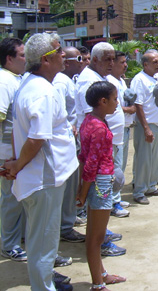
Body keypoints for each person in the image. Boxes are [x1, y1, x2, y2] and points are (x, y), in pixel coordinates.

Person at [2, 32, 78, 290]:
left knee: (39, 240)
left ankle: (44, 282)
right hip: (44, 178)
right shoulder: (42, 91)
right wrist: (17, 164)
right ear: (45, 59)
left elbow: (16, 129)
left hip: (40, 176)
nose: (64, 56)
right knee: (43, 244)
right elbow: (36, 138)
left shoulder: (29, 84)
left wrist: (15, 162)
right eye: (59, 51)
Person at [75, 42, 126, 257]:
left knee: (101, 203)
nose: (111, 63)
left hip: (104, 147)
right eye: (107, 59)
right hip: (99, 160)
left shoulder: (102, 79)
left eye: (113, 59)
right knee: (98, 202)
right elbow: (90, 163)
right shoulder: (89, 82)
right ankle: (100, 242)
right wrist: (82, 192)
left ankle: (101, 233)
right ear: (94, 59)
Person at [76, 81, 126, 291]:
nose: (118, 103)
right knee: (96, 237)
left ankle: (101, 274)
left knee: (97, 235)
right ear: (103, 101)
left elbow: (83, 157)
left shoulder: (90, 120)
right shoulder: (96, 126)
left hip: (99, 182)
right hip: (99, 183)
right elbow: (90, 164)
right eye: (115, 99)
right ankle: (97, 283)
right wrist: (82, 193)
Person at [53, 46, 86, 243]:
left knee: (73, 182)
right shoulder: (60, 82)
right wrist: (69, 126)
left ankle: (68, 221)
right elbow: (57, 112)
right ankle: (65, 227)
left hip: (71, 139)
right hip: (65, 141)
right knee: (68, 184)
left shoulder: (69, 80)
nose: (83, 62)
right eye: (79, 58)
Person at [0, 38, 27, 262]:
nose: (26, 59)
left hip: (18, 152)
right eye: (22, 55)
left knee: (19, 197)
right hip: (7, 153)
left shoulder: (17, 79)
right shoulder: (4, 81)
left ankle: (19, 238)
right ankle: (9, 244)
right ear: (9, 59)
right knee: (10, 199)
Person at [130, 50, 158, 204]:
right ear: (145, 64)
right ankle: (139, 191)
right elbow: (138, 104)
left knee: (155, 158)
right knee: (143, 159)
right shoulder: (139, 80)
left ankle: (151, 186)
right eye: (155, 62)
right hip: (146, 124)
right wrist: (146, 128)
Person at [105, 52, 131, 217]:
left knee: (120, 167)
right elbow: (113, 106)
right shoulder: (109, 81)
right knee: (114, 170)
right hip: (112, 133)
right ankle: (113, 203)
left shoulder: (121, 80)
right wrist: (129, 109)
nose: (125, 65)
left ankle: (117, 198)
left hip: (123, 129)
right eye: (121, 62)